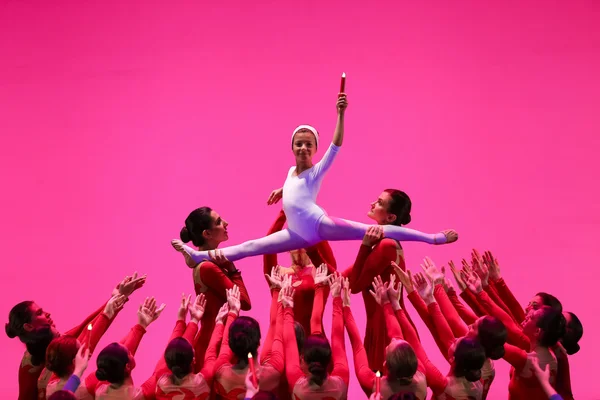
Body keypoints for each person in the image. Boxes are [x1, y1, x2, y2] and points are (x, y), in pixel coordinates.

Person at [172, 91, 457, 265]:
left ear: (315, 149)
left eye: (309, 144)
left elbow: (336, 147)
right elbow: (294, 187)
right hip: (295, 233)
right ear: (292, 148)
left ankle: (432, 238)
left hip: (319, 225)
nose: (304, 147)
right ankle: (198, 256)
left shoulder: (316, 170)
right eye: (299, 143)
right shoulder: (290, 173)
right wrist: (281, 190)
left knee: (374, 231)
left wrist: (340, 113)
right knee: (250, 247)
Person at [5, 273, 146, 400]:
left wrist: (116, 298)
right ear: (28, 326)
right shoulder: (34, 369)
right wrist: (138, 326)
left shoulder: (55, 369)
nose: (47, 313)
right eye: (39, 313)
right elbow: (88, 338)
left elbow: (85, 329)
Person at [173, 206, 252, 372]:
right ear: (206, 234)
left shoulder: (206, 264)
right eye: (219, 222)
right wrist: (232, 269)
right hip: (214, 346)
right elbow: (244, 303)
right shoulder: (209, 268)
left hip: (218, 341)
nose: (226, 223)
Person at [282, 273, 349, 399]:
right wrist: (336, 298)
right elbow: (338, 340)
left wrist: (287, 307)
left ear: (302, 359)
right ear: (330, 360)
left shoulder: (296, 383)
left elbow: (290, 342)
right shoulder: (341, 383)